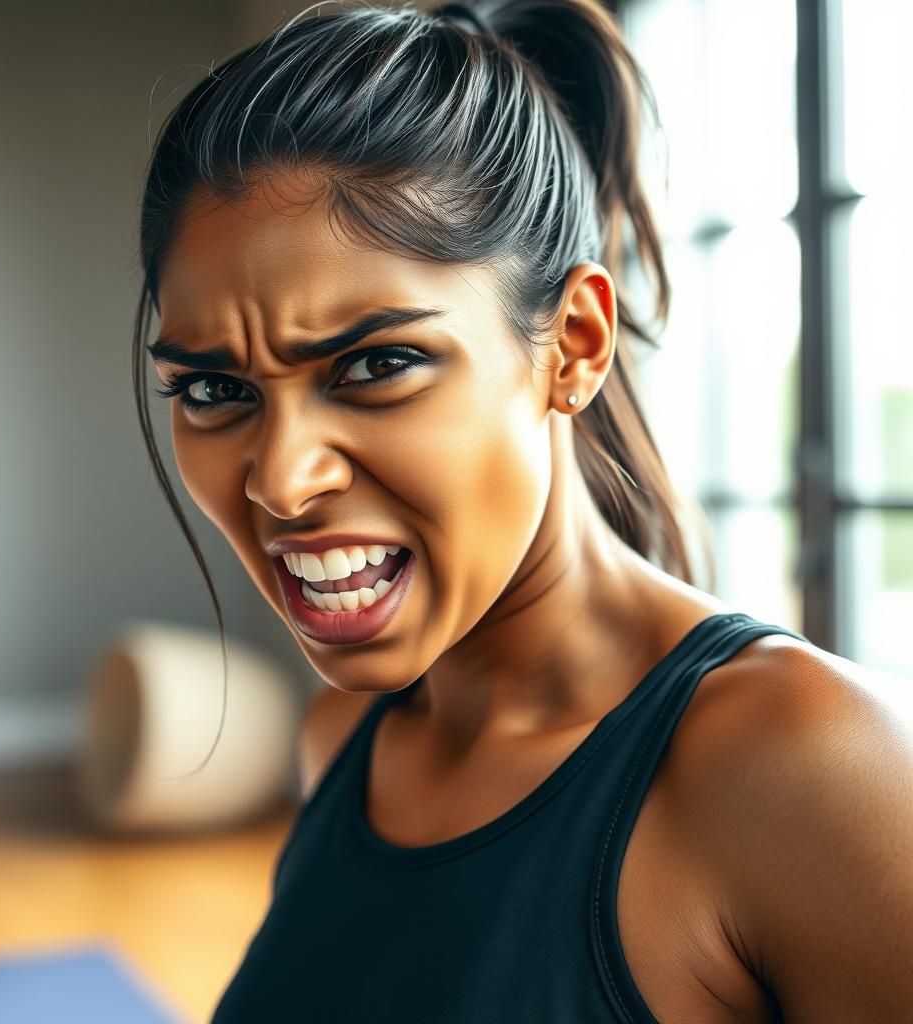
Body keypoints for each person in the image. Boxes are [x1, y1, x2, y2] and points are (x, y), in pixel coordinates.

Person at [130, 0, 913, 1020]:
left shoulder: (806, 770)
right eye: (214, 390)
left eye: (375, 364)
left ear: (576, 346)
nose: (280, 482)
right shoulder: (341, 742)